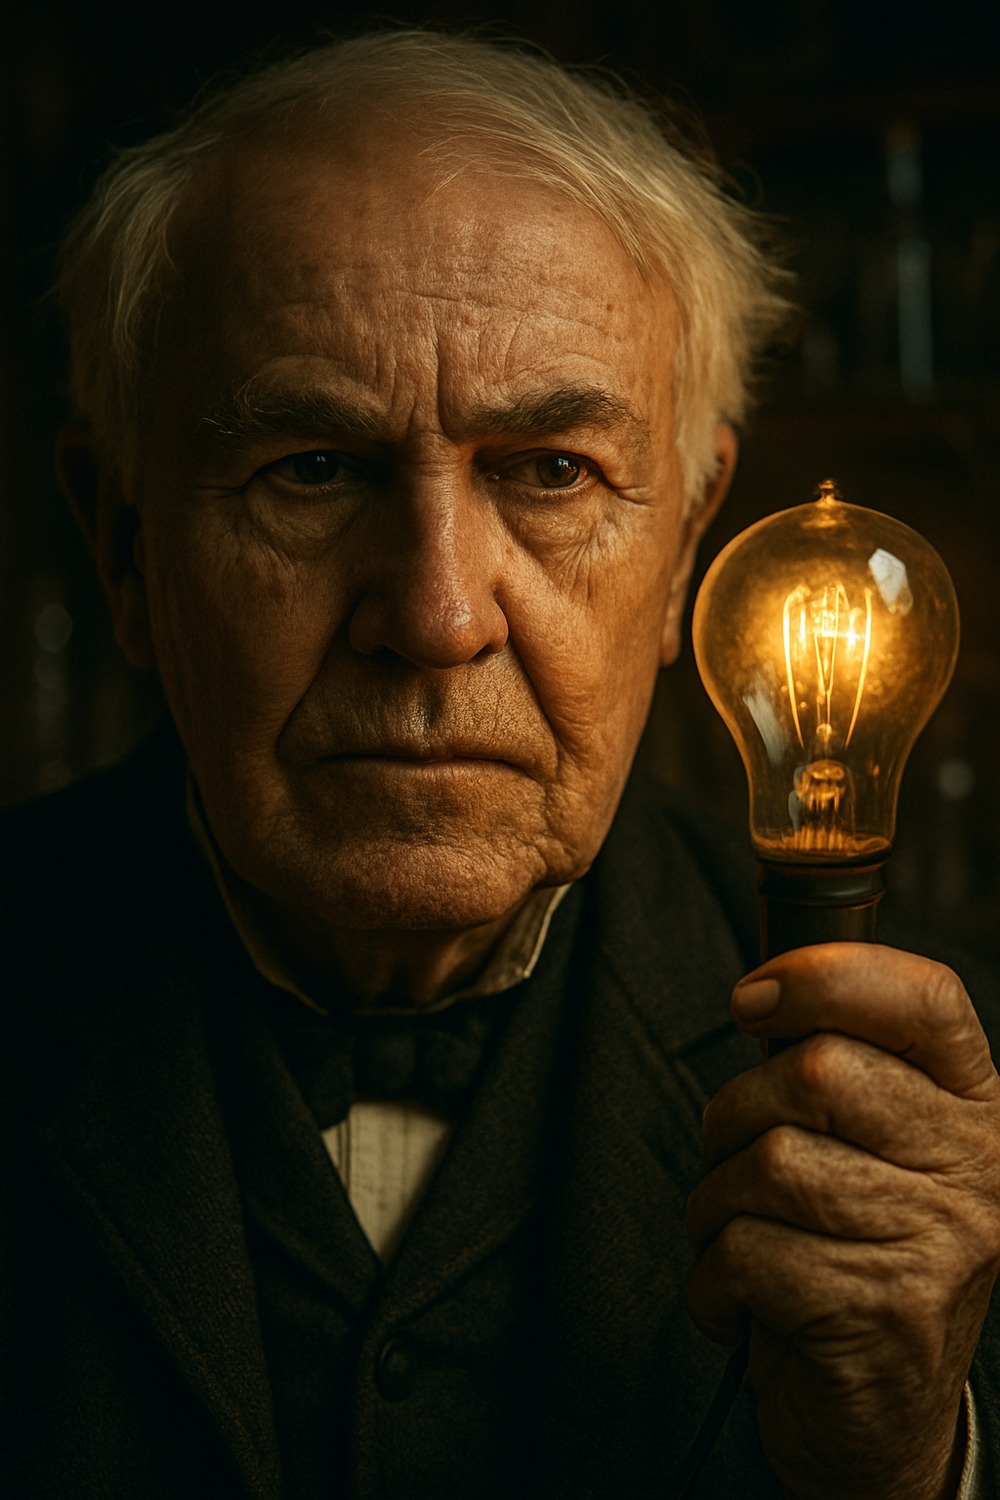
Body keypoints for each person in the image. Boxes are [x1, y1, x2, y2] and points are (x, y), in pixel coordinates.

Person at [3, 29, 999, 1500]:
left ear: (684, 558)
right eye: (312, 469)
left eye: (550, 473)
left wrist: (908, 1460)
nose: (438, 615)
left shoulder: (949, 1125)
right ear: (125, 541)